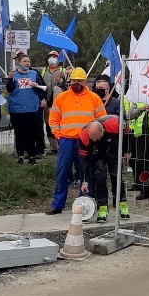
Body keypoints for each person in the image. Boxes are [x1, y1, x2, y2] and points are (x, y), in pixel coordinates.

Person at [46, 68, 106, 215]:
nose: (76, 83)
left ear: (85, 82)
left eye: (79, 81)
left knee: (86, 173)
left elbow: (102, 119)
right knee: (62, 172)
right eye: (74, 80)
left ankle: (85, 205)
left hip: (86, 141)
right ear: (69, 81)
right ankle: (57, 205)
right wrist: (59, 136)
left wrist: (95, 138)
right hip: (66, 140)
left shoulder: (94, 98)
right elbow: (53, 119)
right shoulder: (61, 98)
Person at [79, 115, 129, 222]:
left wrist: (127, 151)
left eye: (96, 138)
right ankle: (102, 207)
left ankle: (122, 204)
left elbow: (128, 135)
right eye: (92, 138)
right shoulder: (84, 136)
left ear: (103, 131)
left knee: (116, 175)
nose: (94, 140)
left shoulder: (116, 123)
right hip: (97, 153)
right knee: (100, 178)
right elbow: (84, 160)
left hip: (114, 147)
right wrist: (84, 180)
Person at [5, 54, 47, 164]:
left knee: (31, 133)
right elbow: (9, 89)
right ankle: (20, 155)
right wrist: (10, 79)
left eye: (28, 61)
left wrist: (37, 87)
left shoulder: (34, 73)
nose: (27, 63)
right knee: (19, 133)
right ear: (19, 62)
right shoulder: (13, 74)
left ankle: (32, 155)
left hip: (32, 108)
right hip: (17, 108)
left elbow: (43, 88)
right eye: (25, 61)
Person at [40, 50, 65, 155]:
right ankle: (53, 146)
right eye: (50, 56)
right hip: (46, 102)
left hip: (59, 102)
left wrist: (63, 78)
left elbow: (66, 85)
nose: (52, 58)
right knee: (48, 123)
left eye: (54, 56)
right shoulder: (43, 70)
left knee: (59, 123)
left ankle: (62, 145)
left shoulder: (62, 70)